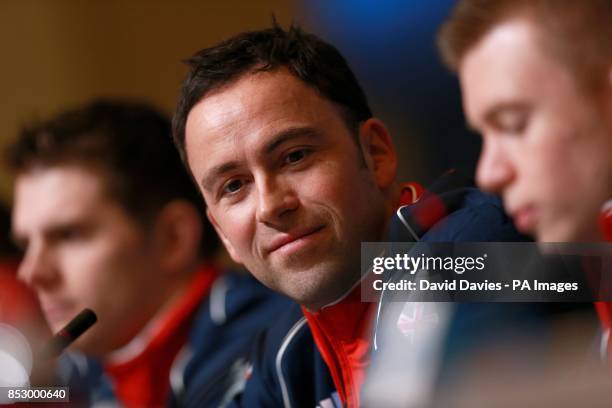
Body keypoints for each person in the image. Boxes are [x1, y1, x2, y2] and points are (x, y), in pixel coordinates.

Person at [173, 23, 526, 407]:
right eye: (234, 186)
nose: (271, 205)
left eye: (295, 157)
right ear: (223, 234)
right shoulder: (286, 352)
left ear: (376, 154)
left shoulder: (483, 249)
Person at [7, 100, 288, 407]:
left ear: (173, 237)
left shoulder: (279, 349)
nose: (31, 272)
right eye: (25, 245)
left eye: (69, 235)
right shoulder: (72, 375)